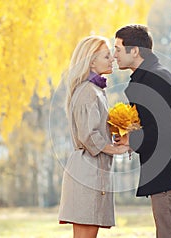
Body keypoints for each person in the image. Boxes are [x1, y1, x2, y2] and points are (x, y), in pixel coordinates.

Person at [113, 25, 171, 238]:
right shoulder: (152, 76)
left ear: (135, 51)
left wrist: (130, 138)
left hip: (169, 176)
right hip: (168, 175)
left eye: (118, 49)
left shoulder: (154, 79)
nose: (114, 56)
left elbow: (166, 132)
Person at [58, 36, 129, 238]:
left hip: (92, 170)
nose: (112, 59)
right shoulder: (88, 91)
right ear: (91, 61)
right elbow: (89, 136)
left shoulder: (95, 90)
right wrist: (117, 149)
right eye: (107, 56)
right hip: (87, 172)